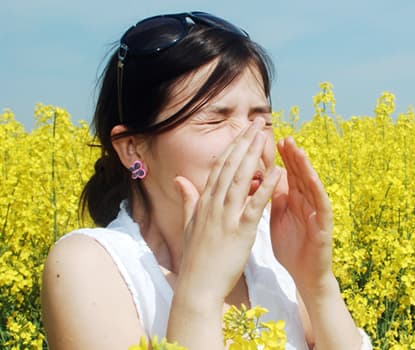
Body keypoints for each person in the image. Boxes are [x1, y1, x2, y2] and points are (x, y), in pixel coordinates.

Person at [41, 11, 372, 350]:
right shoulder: (89, 267)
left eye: (263, 120)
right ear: (132, 149)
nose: (253, 141)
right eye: (215, 119)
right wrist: (201, 292)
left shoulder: (271, 252)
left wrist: (316, 283)